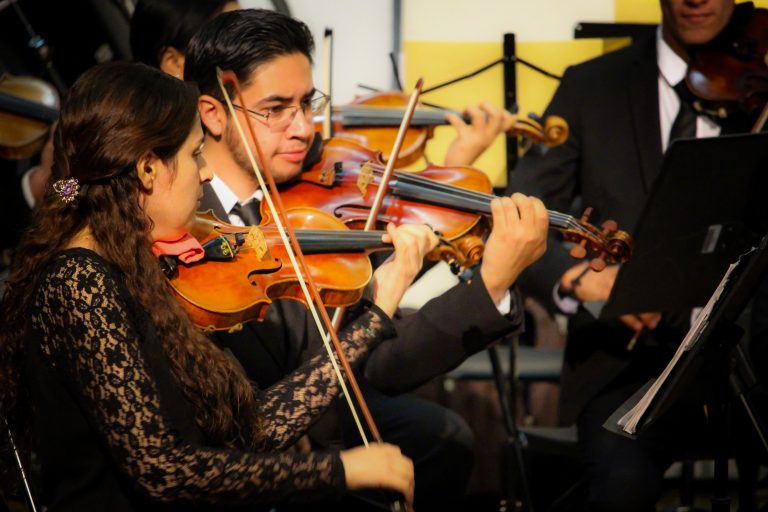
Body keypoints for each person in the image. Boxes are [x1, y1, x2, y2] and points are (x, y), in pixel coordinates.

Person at [0, 60, 438, 511]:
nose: (206, 173)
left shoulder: (131, 267)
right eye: (194, 155)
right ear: (149, 169)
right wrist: (338, 470)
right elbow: (163, 471)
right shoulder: (80, 282)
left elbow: (244, 433)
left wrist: (376, 315)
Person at [179, 8, 549, 509]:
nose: (305, 129)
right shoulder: (178, 218)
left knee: (446, 440)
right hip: (242, 465)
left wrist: (491, 284)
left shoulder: (311, 212)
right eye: (276, 108)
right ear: (213, 113)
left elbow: (378, 362)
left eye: (307, 103)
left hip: (324, 433)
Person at [506, 0, 758, 510]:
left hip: (755, 357)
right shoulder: (590, 86)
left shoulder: (758, 80)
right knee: (621, 487)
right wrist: (579, 279)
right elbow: (519, 213)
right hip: (626, 370)